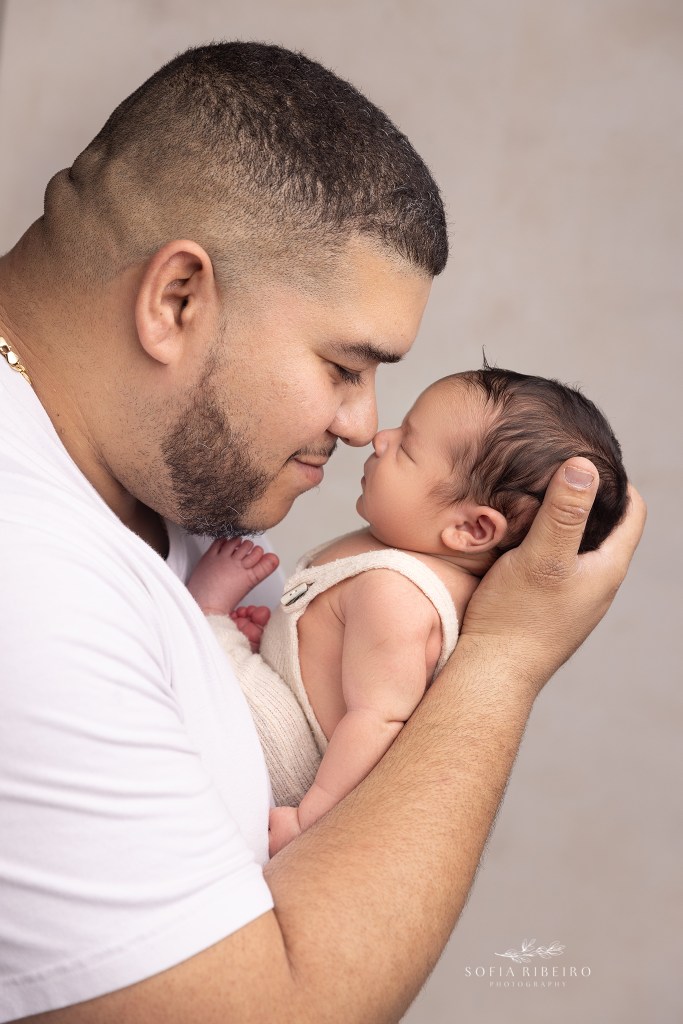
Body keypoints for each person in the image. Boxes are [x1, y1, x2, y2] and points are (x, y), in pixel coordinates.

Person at [0, 41, 644, 1024]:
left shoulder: (144, 468)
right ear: (177, 299)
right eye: (343, 366)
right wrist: (505, 656)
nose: (359, 423)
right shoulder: (28, 584)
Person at [185, 365, 628, 853]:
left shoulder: (397, 593)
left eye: (408, 447)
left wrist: (312, 817)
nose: (380, 439)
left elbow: (377, 719)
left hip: (289, 755)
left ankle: (207, 612)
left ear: (472, 530)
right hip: (298, 719)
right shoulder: (414, 562)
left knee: (205, 659)